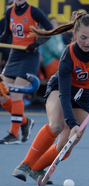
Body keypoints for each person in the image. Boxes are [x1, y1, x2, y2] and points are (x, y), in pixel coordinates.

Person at [11, 11, 89, 184]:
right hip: (61, 89)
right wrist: (72, 123)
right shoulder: (68, 56)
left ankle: (37, 168)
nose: (88, 42)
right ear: (75, 34)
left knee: (67, 144)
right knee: (57, 125)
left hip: (85, 96)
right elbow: (64, 94)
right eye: (83, 37)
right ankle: (26, 164)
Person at [0, 0, 53, 144]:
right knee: (2, 94)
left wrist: (36, 43)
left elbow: (49, 29)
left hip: (29, 56)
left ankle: (14, 134)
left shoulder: (34, 11)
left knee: (17, 94)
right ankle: (25, 122)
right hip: (14, 56)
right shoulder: (9, 11)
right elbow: (6, 35)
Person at [41, 17, 65, 81]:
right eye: (52, 23)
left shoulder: (59, 35)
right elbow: (54, 51)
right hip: (51, 62)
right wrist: (65, 57)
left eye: (55, 23)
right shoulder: (48, 35)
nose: (54, 24)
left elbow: (63, 48)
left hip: (60, 61)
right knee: (54, 85)